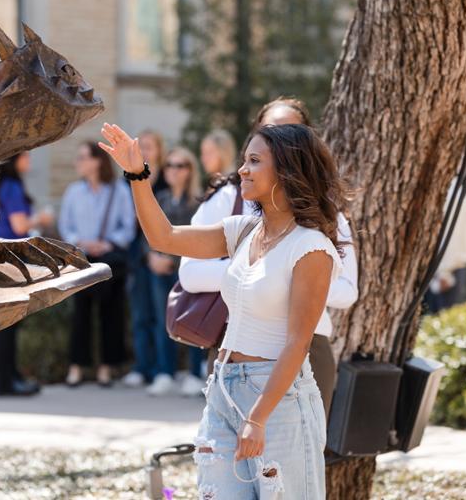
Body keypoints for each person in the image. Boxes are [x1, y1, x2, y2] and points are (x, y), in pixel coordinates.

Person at [100, 121, 346, 499]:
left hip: (278, 399)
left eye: (254, 161)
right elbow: (163, 237)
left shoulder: (310, 247)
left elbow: (298, 343)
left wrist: (258, 417)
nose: (242, 170)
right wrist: (137, 173)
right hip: (224, 386)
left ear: (286, 170)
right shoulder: (245, 231)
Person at [179, 96, 358, 417]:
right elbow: (189, 273)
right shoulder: (229, 199)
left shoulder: (327, 211)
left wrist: (298, 277)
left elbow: (346, 291)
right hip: (233, 342)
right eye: (269, 130)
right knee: (226, 454)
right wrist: (259, 273)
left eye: (290, 131)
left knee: (294, 454)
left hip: (308, 345)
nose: (278, 139)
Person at [59, 141, 136, 387]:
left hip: (108, 259)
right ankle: (76, 367)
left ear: (97, 161)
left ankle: (106, 367)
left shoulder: (119, 190)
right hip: (80, 259)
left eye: (83, 157)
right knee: (80, 314)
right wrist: (79, 242)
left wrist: (108, 243)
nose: (78, 162)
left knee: (110, 314)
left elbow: (128, 226)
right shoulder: (73, 191)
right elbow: (65, 225)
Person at [0, 152, 53, 396]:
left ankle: (8, 377)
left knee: (6, 322)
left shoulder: (1, 185)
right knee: (10, 323)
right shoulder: (12, 186)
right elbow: (19, 226)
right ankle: (6, 382)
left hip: (0, 256)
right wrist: (42, 219)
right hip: (13, 257)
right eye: (26, 155)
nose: (30, 159)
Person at [145, 147, 205, 397]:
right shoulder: (160, 198)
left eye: (180, 165)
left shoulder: (198, 202)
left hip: (186, 271)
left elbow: (199, 237)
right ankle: (165, 372)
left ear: (190, 170)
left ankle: (193, 373)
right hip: (158, 270)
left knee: (191, 321)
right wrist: (151, 257)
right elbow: (146, 232)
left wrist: (171, 259)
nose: (173, 170)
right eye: (169, 165)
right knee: (162, 321)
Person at [123, 130, 170, 388]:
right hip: (136, 257)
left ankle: (163, 369)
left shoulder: (166, 183)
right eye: (141, 147)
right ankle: (142, 367)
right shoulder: (128, 180)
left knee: (161, 315)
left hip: (160, 256)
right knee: (140, 315)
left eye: (149, 147)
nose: (145, 152)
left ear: (159, 151)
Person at [425, 180, 466, 313]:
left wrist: (444, 273)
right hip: (446, 271)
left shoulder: (452, 191)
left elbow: (452, 236)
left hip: (444, 274)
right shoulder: (456, 190)